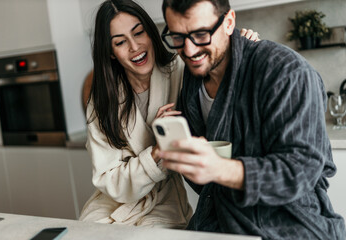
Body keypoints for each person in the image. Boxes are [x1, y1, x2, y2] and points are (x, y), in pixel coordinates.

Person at [158, 0, 346, 238]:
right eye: (177, 37)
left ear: (228, 22)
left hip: (289, 226)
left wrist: (219, 168)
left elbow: (300, 171)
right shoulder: (194, 74)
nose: (189, 50)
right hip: (216, 225)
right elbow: (206, 182)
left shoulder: (286, 71)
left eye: (201, 34)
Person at [79, 0, 259, 228]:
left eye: (139, 33)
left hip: (165, 204)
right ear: (111, 52)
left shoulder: (182, 70)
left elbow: (219, 75)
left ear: (151, 32)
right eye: (121, 42)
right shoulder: (101, 99)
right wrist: (156, 152)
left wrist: (241, 50)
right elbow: (108, 179)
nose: (134, 47)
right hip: (111, 207)